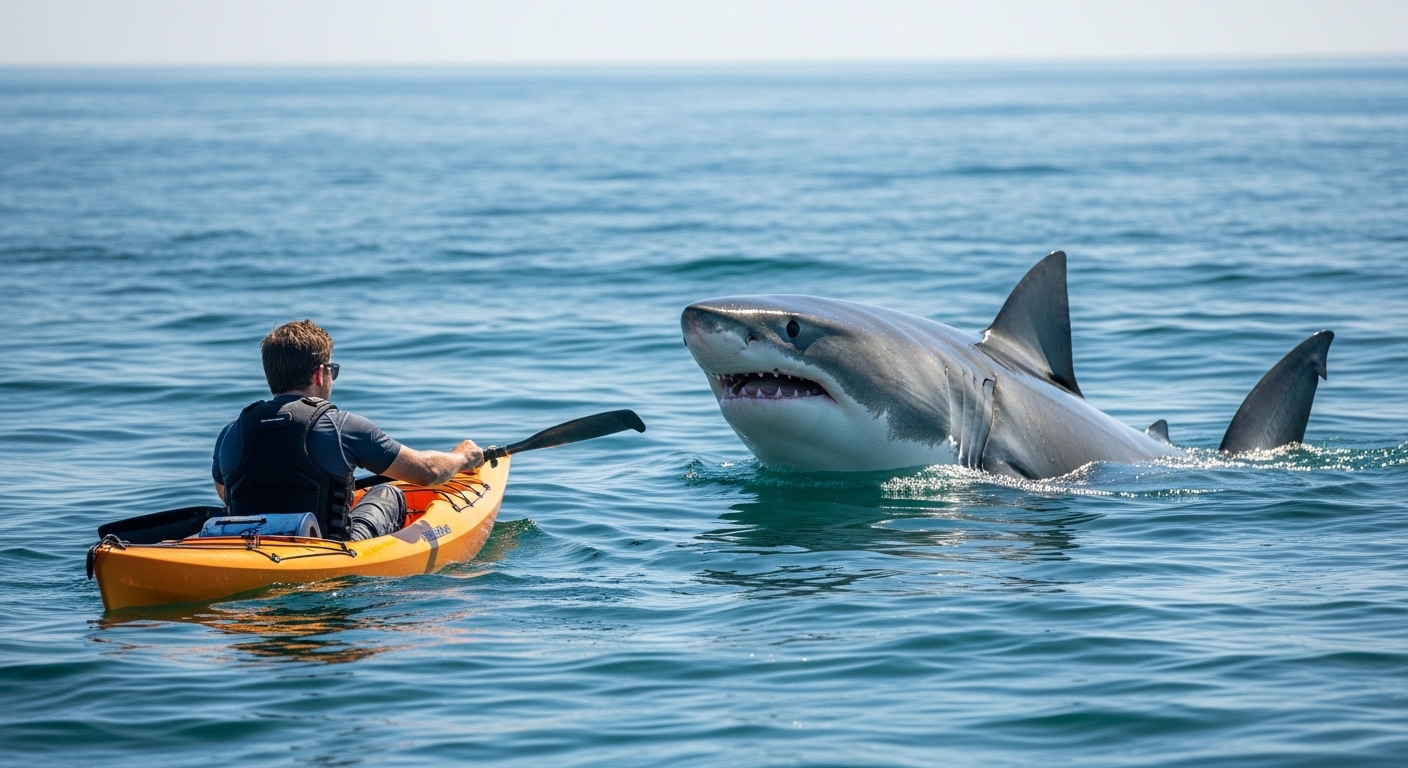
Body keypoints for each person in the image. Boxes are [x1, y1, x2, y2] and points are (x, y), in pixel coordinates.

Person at [212, 320, 483, 541]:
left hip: (250, 546)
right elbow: (428, 472)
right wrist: (462, 457)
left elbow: (228, 495)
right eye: (332, 370)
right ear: (320, 374)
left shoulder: (230, 433)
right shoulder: (342, 427)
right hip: (330, 550)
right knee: (389, 493)